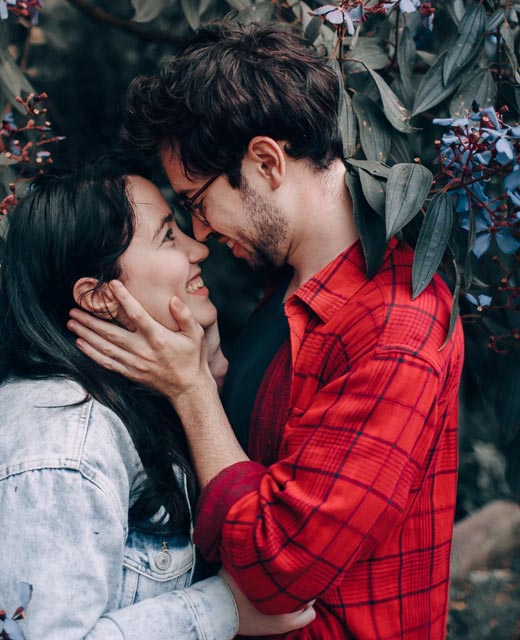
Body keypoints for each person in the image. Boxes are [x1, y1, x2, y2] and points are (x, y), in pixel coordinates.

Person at [67, 22, 465, 640]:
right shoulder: (293, 279)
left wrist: (192, 390)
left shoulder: (395, 324)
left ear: (265, 161)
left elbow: (283, 570)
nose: (199, 234)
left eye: (197, 201)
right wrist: (211, 370)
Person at [0, 160, 316, 639]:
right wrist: (222, 608)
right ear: (100, 297)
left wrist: (208, 381)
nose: (197, 249)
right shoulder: (58, 445)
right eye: (168, 236)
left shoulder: (129, 403)